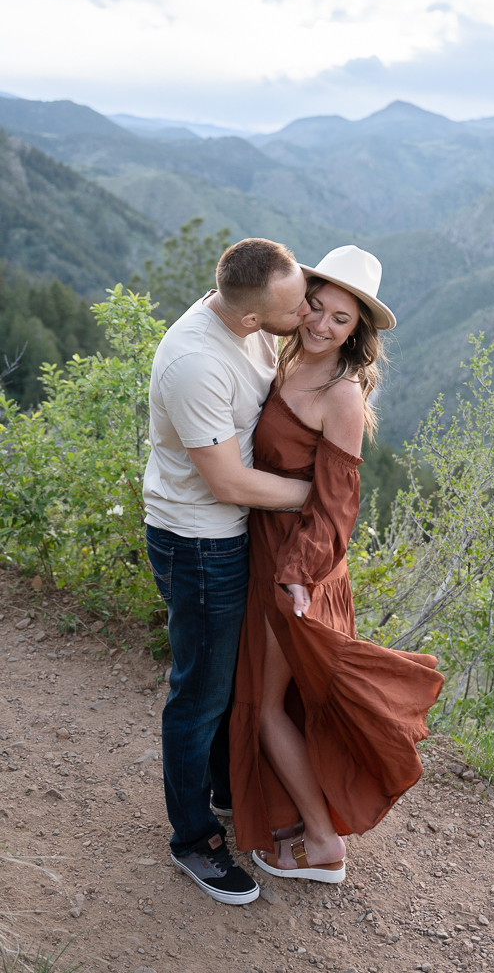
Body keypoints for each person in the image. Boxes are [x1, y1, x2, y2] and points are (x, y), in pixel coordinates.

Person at [229, 245, 444, 882]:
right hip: (272, 552)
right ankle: (295, 818)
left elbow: (336, 503)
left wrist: (295, 571)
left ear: (359, 333)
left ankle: (323, 844)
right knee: (280, 703)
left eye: (340, 320)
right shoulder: (286, 356)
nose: (322, 325)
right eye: (316, 308)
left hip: (296, 568)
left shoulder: (341, 394)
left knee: (268, 707)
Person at [143, 238, 317, 906]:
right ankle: (193, 839)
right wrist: (317, 496)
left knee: (226, 676)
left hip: (232, 535)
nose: (305, 311)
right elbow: (223, 481)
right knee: (199, 694)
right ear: (250, 317)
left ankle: (225, 789)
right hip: (199, 544)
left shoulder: (251, 320)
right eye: (297, 305)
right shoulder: (194, 362)